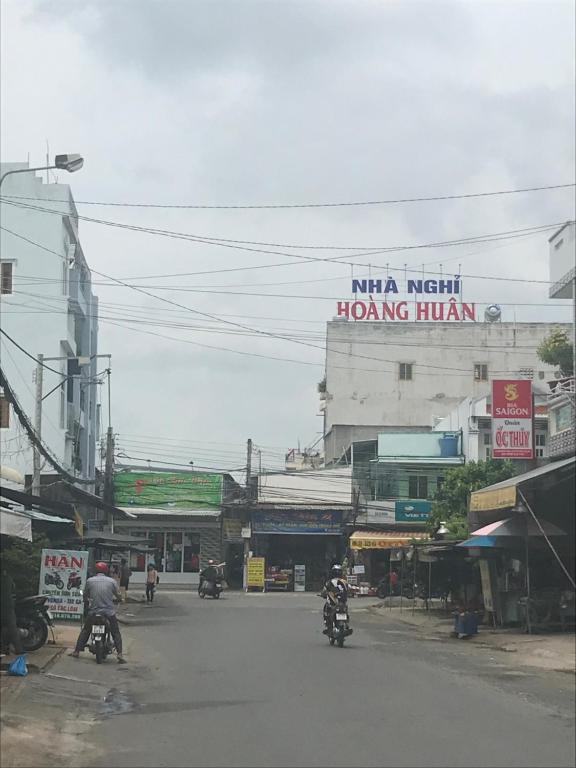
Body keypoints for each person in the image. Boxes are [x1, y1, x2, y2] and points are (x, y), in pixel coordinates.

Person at [71, 562, 126, 663]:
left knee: (86, 630)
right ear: (106, 571)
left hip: (94, 612)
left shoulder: (90, 581)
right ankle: (120, 654)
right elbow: (118, 595)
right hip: (108, 612)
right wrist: (120, 599)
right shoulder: (112, 581)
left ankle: (77, 651)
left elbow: (85, 595)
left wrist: (85, 600)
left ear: (95, 571)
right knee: (115, 632)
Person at [0, 565, 23, 656]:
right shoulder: (8, 579)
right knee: (12, 629)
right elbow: (13, 591)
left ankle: (4, 649)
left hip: (5, 606)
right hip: (9, 606)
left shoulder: (5, 580)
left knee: (9, 629)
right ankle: (18, 650)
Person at [321, 564, 349, 633]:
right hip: (342, 603)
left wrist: (323, 595)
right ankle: (346, 624)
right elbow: (348, 591)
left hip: (333, 604)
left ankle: (328, 623)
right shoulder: (345, 582)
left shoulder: (329, 582)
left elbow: (324, 592)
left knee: (326, 609)